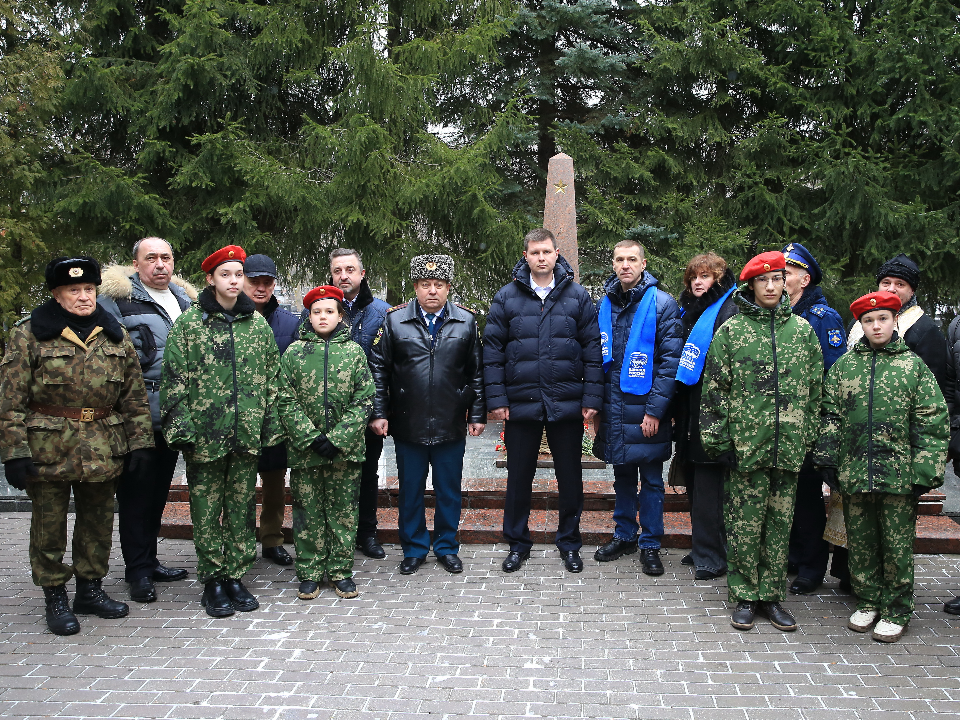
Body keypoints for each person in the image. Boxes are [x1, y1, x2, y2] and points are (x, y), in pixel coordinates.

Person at [0, 257, 154, 635]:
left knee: (97, 523)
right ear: (56, 294)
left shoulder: (114, 333)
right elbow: (10, 400)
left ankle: (90, 588)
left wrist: (141, 445)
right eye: (74, 290)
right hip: (49, 448)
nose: (84, 297)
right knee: (49, 526)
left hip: (104, 444)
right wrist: (14, 453)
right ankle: (55, 594)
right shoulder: (30, 334)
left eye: (89, 289)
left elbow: (133, 396)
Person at [814, 291, 948, 642]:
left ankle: (897, 607)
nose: (876, 326)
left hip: (899, 476)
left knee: (896, 544)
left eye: (883, 319)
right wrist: (827, 458)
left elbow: (932, 422)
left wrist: (925, 470)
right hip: (856, 472)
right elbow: (831, 416)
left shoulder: (912, 367)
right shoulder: (845, 368)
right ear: (861, 325)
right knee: (861, 542)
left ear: (894, 322)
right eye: (869, 321)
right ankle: (869, 599)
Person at [701, 251, 823, 632]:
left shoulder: (801, 332)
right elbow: (714, 392)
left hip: (787, 449)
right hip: (746, 448)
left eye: (777, 279)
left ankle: (771, 595)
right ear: (750, 285)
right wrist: (719, 442)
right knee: (744, 524)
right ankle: (744, 594)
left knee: (779, 524)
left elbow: (816, 389)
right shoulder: (733, 332)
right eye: (763, 280)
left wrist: (807, 438)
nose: (771, 286)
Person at [160, 245, 282, 618]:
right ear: (210, 279)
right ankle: (213, 579)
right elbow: (174, 381)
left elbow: (272, 380)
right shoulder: (190, 324)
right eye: (225, 275)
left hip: (245, 436)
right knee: (207, 509)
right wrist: (181, 430)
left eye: (237, 275)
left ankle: (235, 575)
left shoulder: (257, 325)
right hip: (205, 437)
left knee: (242, 506)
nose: (233, 281)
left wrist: (270, 428)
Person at [483, 229, 603, 574]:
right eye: (534, 252)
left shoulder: (577, 296)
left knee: (570, 478)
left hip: (566, 402)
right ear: (526, 256)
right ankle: (518, 544)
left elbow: (592, 350)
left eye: (546, 252)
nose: (541, 257)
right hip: (521, 403)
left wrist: (592, 396)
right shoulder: (506, 297)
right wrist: (498, 399)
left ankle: (569, 543)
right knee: (519, 478)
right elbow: (492, 352)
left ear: (556, 254)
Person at [369, 254, 486, 575]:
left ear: (448, 287)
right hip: (409, 422)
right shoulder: (394, 321)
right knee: (411, 490)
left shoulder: (466, 321)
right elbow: (380, 369)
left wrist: (476, 414)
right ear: (415, 287)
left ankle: (447, 547)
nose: (431, 291)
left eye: (438, 284)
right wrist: (380, 412)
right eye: (425, 284)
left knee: (449, 490)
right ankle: (415, 548)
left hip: (450, 422)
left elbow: (476, 371)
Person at [98, 237, 195, 603]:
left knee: (158, 494)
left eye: (166, 258)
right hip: (137, 414)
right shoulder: (118, 302)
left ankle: (150, 560)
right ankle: (137, 571)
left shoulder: (186, 301)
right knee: (136, 496)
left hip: (174, 414)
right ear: (135, 264)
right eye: (150, 258)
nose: (160, 265)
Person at [278, 285, 375, 599]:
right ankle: (309, 571)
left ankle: (340, 570)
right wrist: (310, 436)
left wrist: (337, 439)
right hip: (306, 452)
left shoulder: (354, 353)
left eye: (329, 311)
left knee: (343, 511)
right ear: (308, 315)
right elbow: (285, 398)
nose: (322, 317)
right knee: (307, 512)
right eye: (316, 312)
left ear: (340, 315)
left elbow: (364, 399)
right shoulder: (294, 353)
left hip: (344, 452)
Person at [591, 240, 682, 576]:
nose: (625, 265)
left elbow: (669, 363)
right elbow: (597, 359)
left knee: (652, 480)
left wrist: (655, 411)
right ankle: (625, 534)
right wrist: (596, 408)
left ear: (644, 264)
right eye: (619, 259)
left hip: (646, 410)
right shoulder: (605, 304)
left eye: (632, 259)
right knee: (623, 476)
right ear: (613, 264)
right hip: (614, 409)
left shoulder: (662, 304)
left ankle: (651, 543)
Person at [779, 242, 847, 596]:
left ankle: (812, 567)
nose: (779, 278)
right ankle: (793, 556)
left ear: (804, 280)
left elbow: (834, 375)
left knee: (806, 498)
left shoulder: (822, 318)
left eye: (787, 273)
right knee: (787, 497)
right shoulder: (779, 314)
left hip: (808, 425)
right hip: (781, 425)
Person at [672, 253, 738, 581]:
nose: (698, 282)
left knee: (711, 486)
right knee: (695, 483)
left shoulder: (729, 309)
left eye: (706, 276)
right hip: (689, 410)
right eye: (694, 277)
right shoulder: (688, 311)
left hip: (713, 410)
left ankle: (713, 556)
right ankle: (702, 546)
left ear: (719, 279)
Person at [329, 248, 391, 560]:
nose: (344, 276)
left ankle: (366, 532)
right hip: (328, 414)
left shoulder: (382, 312)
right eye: (338, 270)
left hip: (366, 413)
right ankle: (332, 534)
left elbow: (388, 366)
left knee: (367, 475)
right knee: (331, 475)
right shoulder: (320, 308)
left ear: (362, 274)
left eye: (350, 270)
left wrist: (380, 411)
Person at [243, 254, 300, 567]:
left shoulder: (289, 323)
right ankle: (239, 540)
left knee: (275, 485)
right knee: (239, 485)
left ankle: (272, 539)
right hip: (238, 419)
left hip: (275, 420)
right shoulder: (227, 319)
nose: (261, 288)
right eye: (255, 281)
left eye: (267, 282)